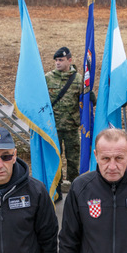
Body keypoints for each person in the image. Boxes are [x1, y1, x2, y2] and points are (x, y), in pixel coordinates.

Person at [45, 46, 83, 189]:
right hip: (53, 127)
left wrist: (90, 97)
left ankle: (75, 185)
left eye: (61, 60)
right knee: (55, 157)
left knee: (73, 158)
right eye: (56, 60)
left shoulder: (78, 79)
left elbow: (85, 102)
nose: (58, 63)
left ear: (69, 60)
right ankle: (57, 186)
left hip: (71, 126)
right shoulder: (48, 78)